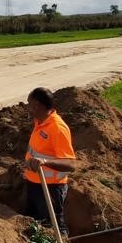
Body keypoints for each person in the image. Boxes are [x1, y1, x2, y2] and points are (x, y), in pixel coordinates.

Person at [21, 87, 80, 235]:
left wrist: (45, 162)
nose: (28, 108)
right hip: (34, 183)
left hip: (50, 189)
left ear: (38, 105)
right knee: (34, 222)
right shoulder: (40, 122)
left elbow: (71, 165)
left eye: (30, 104)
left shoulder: (57, 128)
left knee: (54, 228)